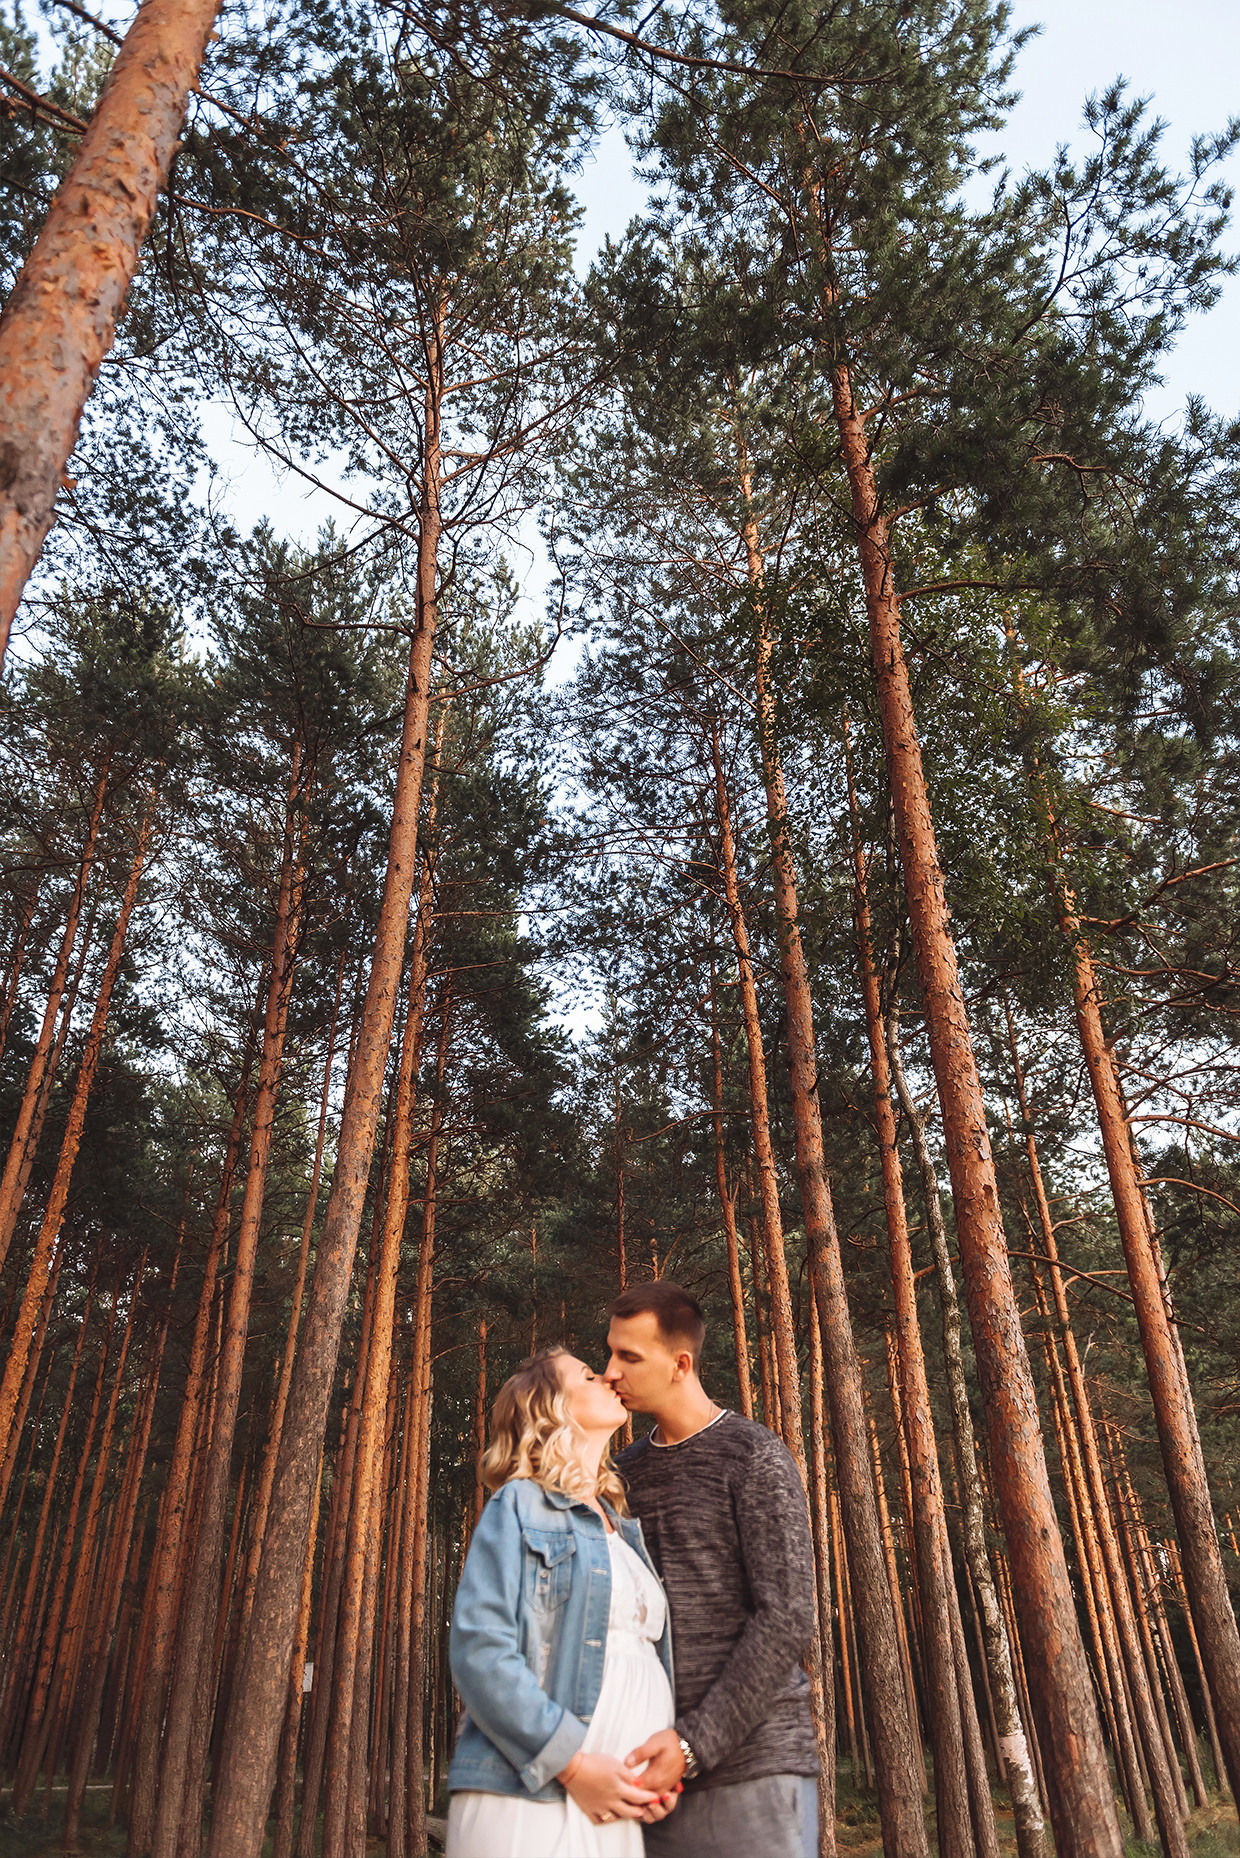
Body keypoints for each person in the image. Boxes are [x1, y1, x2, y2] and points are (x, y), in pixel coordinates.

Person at [605, 1280, 820, 1858]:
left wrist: (694, 1743)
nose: (610, 1371)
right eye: (610, 1352)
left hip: (755, 1769)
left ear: (680, 1363)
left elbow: (789, 1616)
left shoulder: (753, 1455)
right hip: (650, 1781)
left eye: (629, 1356)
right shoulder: (620, 1475)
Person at [445, 1346, 681, 1857]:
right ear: (551, 1408)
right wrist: (572, 1765)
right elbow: (480, 1651)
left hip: (615, 1805)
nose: (610, 1379)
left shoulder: (623, 1530)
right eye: (590, 1375)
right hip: (533, 1797)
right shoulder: (519, 1503)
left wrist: (652, 1777)